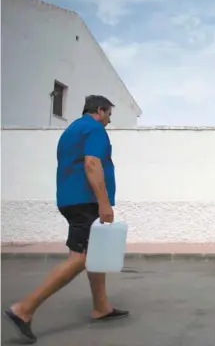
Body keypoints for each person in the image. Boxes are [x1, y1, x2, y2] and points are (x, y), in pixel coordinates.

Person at [4, 95, 129, 343]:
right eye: (109, 114)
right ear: (100, 110)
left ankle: (101, 306)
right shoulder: (94, 129)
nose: (110, 119)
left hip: (71, 199)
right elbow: (92, 164)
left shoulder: (72, 129)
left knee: (93, 254)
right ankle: (24, 309)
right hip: (85, 202)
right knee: (81, 258)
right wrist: (104, 203)